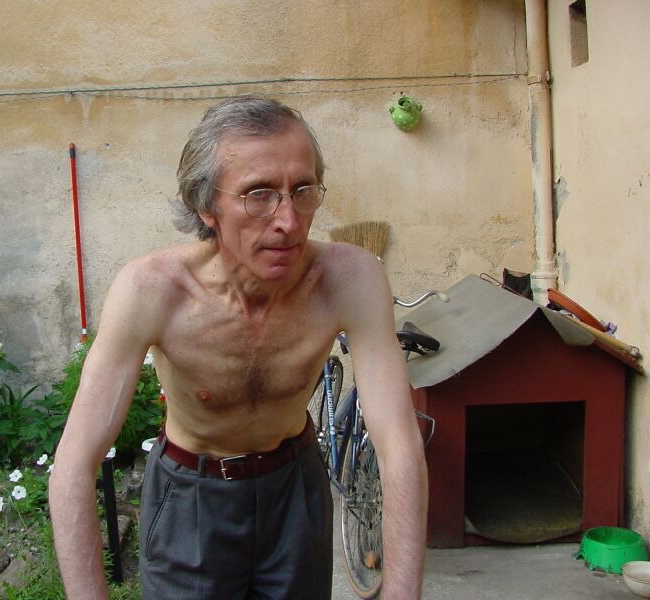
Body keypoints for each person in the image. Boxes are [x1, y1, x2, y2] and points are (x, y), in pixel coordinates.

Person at [49, 95, 427, 599]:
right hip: (191, 496)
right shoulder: (152, 290)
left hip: (294, 486)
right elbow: (74, 464)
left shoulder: (349, 279)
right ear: (206, 206)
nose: (288, 220)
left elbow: (399, 446)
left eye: (302, 190)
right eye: (259, 194)